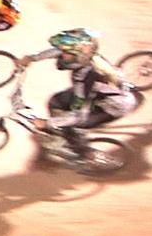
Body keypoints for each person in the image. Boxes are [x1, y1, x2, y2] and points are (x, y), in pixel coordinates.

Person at [18, 28, 140, 156]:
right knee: (55, 102)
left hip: (111, 108)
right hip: (101, 94)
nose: (62, 56)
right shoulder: (86, 58)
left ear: (79, 56)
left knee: (72, 122)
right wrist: (32, 58)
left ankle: (82, 151)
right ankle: (60, 135)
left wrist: (48, 123)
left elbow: (78, 115)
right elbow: (57, 51)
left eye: (67, 53)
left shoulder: (85, 78)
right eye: (64, 51)